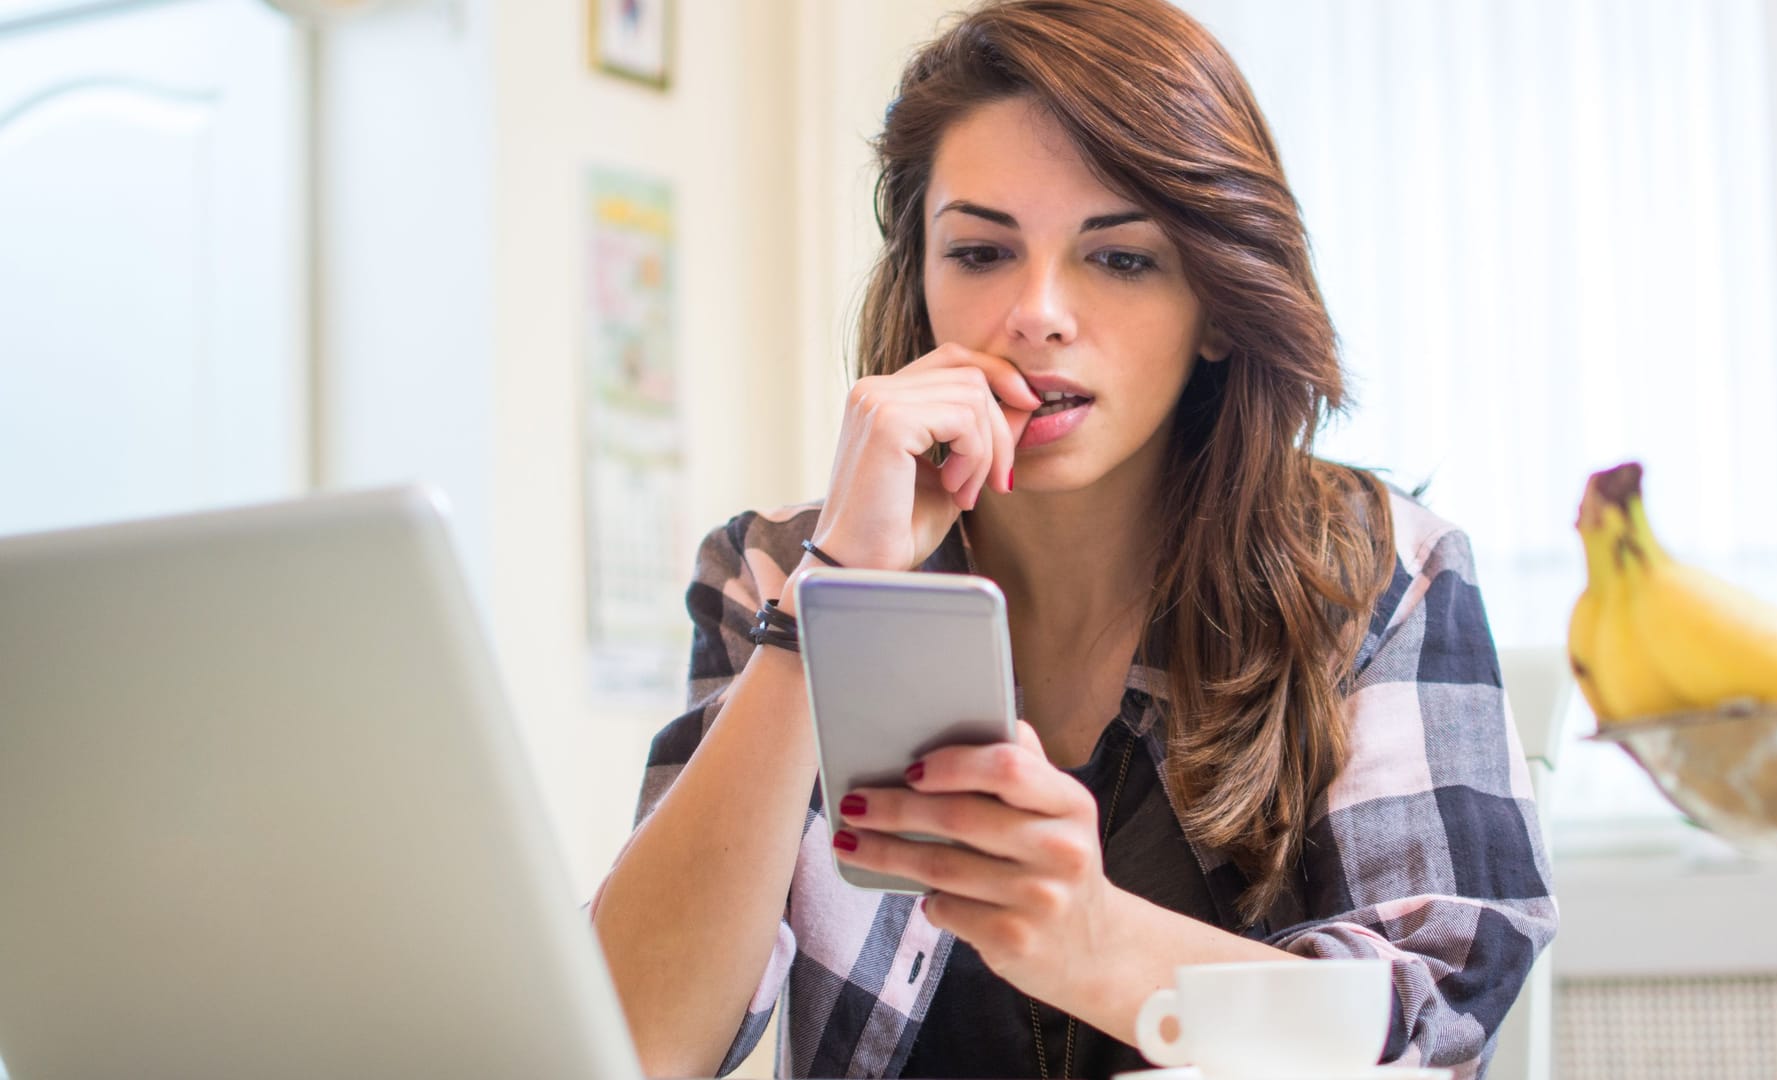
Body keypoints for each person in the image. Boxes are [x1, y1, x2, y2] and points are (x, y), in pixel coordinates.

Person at [589, 1, 1555, 1077]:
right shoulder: (774, 571)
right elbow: (630, 1044)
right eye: (982, 249)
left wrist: (1085, 936)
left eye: (1122, 258)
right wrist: (831, 596)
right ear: (920, 278)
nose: (1038, 310)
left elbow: (1436, 1019)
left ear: (1221, 302)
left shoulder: (1378, 577)